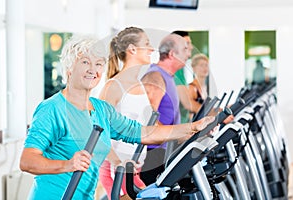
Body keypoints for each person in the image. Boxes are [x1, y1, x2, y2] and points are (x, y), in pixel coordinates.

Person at [19, 35, 214, 200]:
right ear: (69, 68)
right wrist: (68, 164)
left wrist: (194, 127)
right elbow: (27, 161)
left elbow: (144, 133)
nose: (92, 69)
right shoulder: (52, 109)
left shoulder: (101, 110)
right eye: (85, 62)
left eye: (98, 64)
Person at [98, 27, 160, 199]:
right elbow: (97, 131)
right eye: (146, 44)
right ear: (132, 49)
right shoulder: (114, 86)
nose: (151, 49)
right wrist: (117, 163)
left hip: (135, 168)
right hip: (116, 170)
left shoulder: (138, 84)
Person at [140, 33, 192, 185]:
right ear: (172, 54)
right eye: (185, 49)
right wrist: (180, 134)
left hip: (164, 151)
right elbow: (148, 122)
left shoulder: (168, 77)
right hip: (152, 155)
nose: (188, 54)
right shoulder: (155, 77)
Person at [172, 30, 202, 123]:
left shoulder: (181, 70)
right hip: (175, 132)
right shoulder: (175, 70)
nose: (191, 47)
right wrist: (214, 113)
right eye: (187, 43)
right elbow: (187, 104)